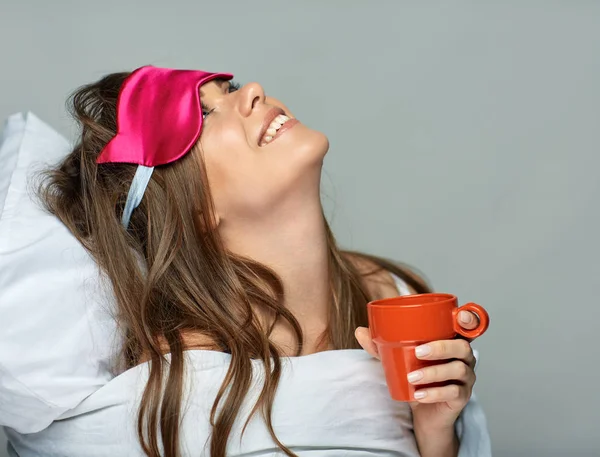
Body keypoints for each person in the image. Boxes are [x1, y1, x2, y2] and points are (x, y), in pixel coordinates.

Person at [25, 65, 490, 457]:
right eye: (203, 114)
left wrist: (436, 432)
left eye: (227, 89)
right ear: (195, 210)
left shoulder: (391, 289)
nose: (252, 92)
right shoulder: (190, 390)